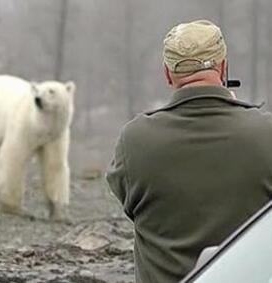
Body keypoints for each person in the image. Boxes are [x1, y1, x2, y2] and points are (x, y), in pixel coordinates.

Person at [105, 20, 272, 283]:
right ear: (223, 66)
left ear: (168, 74)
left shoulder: (135, 141)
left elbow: (129, 203)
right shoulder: (266, 132)